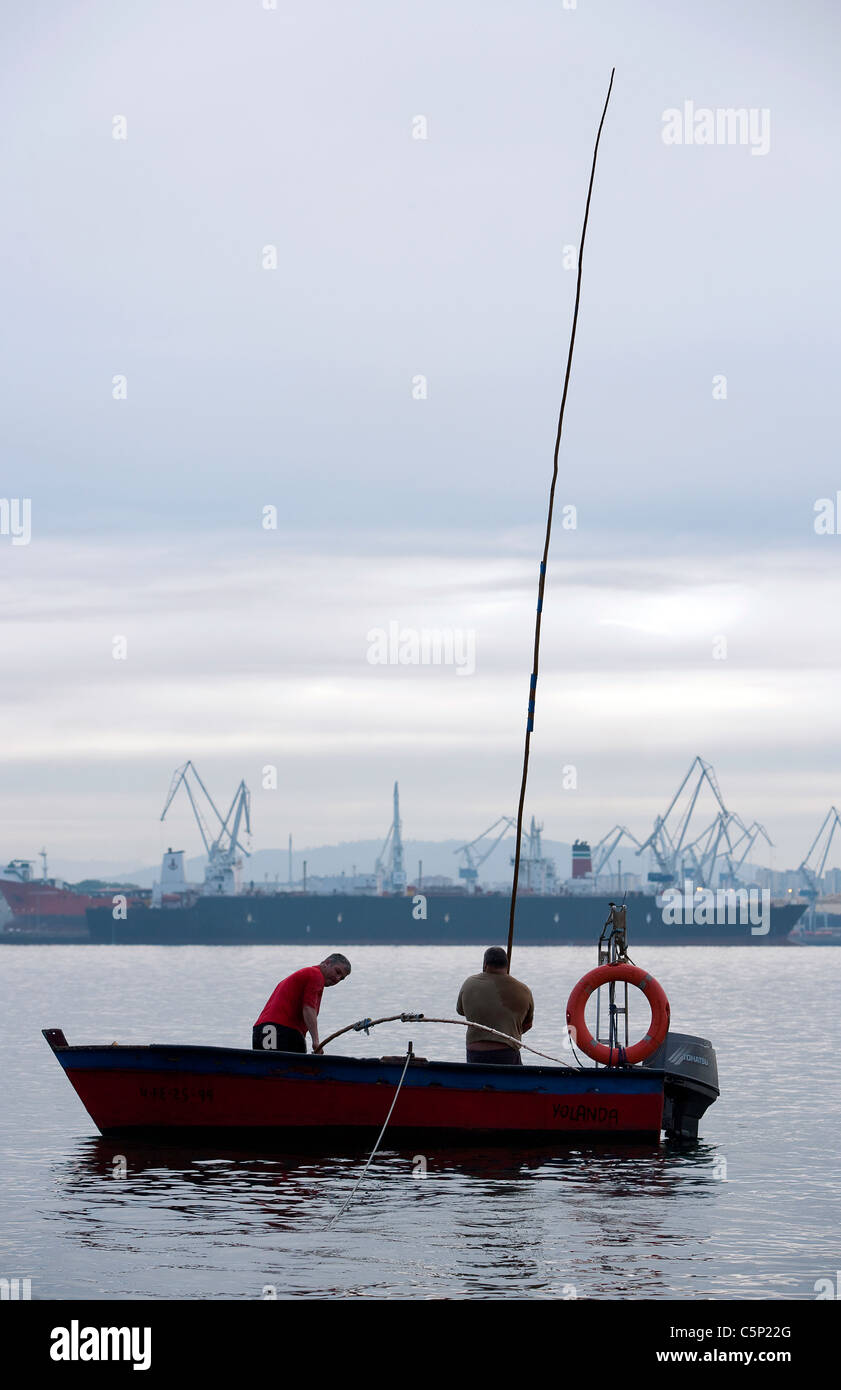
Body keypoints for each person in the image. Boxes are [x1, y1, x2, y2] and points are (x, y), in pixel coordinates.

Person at [252, 955, 351, 1054]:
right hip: (278, 1030)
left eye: (341, 978)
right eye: (337, 972)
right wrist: (316, 1042)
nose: (337, 978)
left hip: (262, 1030)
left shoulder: (305, 975)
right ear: (326, 963)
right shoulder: (315, 975)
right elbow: (309, 1008)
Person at [456, 946, 534, 1065]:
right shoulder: (523, 990)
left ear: (485, 964)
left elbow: (461, 1011)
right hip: (507, 1053)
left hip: (475, 1053)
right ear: (507, 965)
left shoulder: (469, 983)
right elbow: (528, 1025)